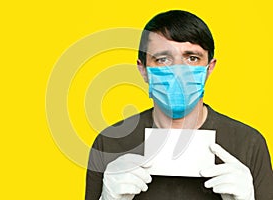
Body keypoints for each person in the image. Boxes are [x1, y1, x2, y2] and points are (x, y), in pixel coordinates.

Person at [85, 10, 273, 200]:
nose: (178, 71)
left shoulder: (249, 143)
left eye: (192, 58)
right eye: (162, 59)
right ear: (143, 70)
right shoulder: (109, 142)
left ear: (210, 68)